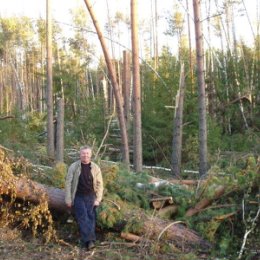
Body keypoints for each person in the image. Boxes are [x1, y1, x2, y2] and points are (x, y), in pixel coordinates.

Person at [65, 145, 103, 250]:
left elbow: (100, 184)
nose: (85, 155)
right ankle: (90, 241)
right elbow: (68, 183)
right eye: (83, 153)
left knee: (91, 218)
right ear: (80, 154)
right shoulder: (73, 166)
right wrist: (68, 199)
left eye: (87, 153)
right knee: (83, 218)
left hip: (91, 196)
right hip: (78, 196)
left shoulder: (95, 168)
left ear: (90, 155)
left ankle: (87, 241)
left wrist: (98, 199)